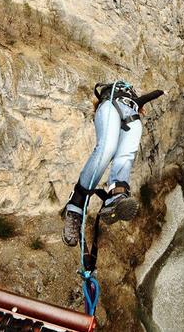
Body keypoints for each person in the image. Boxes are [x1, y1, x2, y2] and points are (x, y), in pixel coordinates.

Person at [62, 81, 163, 246]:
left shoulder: (132, 99)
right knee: (107, 148)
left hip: (132, 114)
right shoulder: (110, 94)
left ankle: (116, 198)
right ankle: (75, 206)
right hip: (111, 105)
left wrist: (138, 103)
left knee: (125, 156)